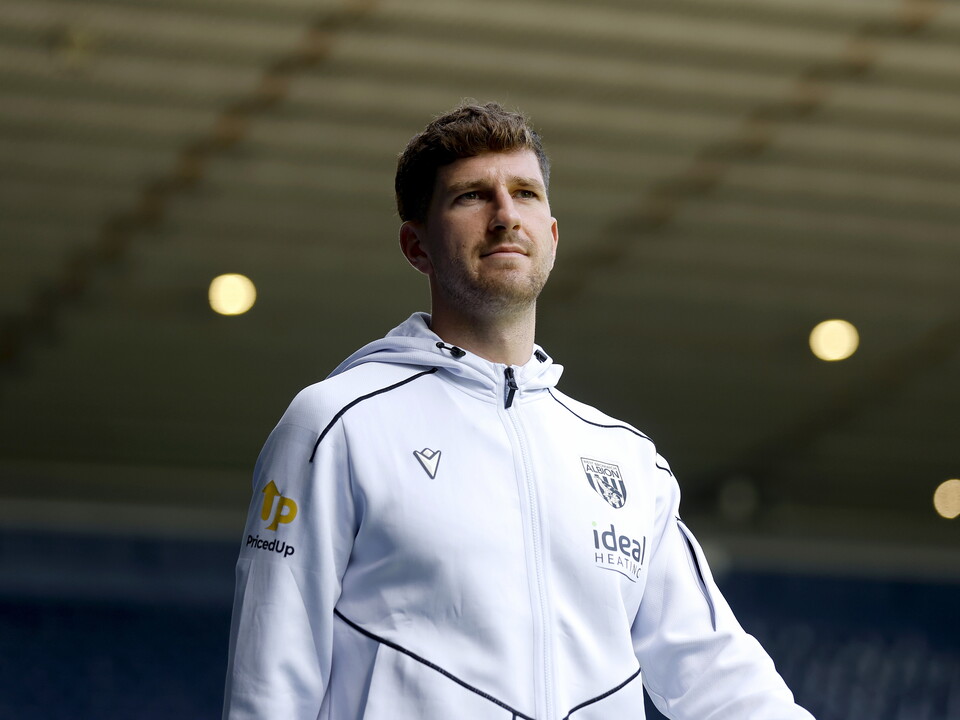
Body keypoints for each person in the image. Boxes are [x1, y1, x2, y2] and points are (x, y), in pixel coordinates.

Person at [223, 102, 815, 720]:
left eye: (525, 193)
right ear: (414, 245)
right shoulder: (335, 424)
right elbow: (270, 685)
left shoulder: (626, 460)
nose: (506, 215)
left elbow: (718, 674)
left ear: (552, 236)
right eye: (472, 197)